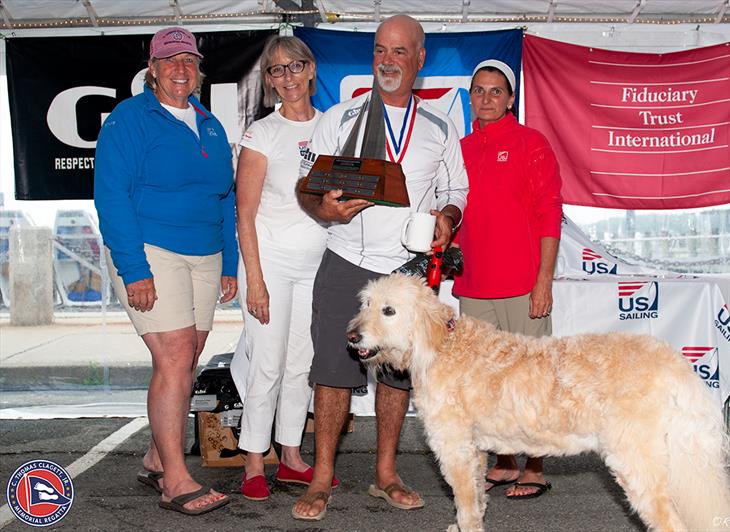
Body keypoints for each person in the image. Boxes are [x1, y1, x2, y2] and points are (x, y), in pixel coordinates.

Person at [291, 14, 469, 521]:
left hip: (408, 272)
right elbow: (307, 184)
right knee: (332, 370)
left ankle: (385, 472)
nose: (387, 61)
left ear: (419, 59)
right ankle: (322, 476)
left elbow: (456, 190)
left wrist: (448, 217)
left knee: (396, 377)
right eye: (379, 50)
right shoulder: (340, 118)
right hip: (347, 258)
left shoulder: (439, 125)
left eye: (398, 52)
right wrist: (324, 209)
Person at [94, 26, 237, 515]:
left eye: (189, 61)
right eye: (170, 60)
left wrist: (230, 261)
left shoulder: (210, 123)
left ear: (199, 70)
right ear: (151, 69)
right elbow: (111, 197)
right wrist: (134, 269)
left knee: (190, 353)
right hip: (152, 250)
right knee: (175, 354)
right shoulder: (129, 119)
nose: (181, 68)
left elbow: (227, 197)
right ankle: (175, 480)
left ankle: (158, 454)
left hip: (205, 254)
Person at [230, 35, 339, 501]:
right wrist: (254, 280)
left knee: (301, 365)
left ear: (311, 69)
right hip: (269, 265)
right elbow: (245, 213)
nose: (287, 77)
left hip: (318, 268)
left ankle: (292, 457)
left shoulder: (333, 127)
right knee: (267, 365)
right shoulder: (262, 133)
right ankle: (255, 460)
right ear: (269, 81)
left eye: (295, 67)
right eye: (276, 70)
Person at [454, 59, 563, 500]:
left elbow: (549, 214)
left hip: (522, 283)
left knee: (532, 379)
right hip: (474, 286)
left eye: (495, 91)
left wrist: (544, 281)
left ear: (511, 98)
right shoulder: (458, 147)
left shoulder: (530, 143)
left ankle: (534, 466)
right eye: (479, 91)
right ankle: (503, 461)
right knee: (486, 383)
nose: (486, 98)